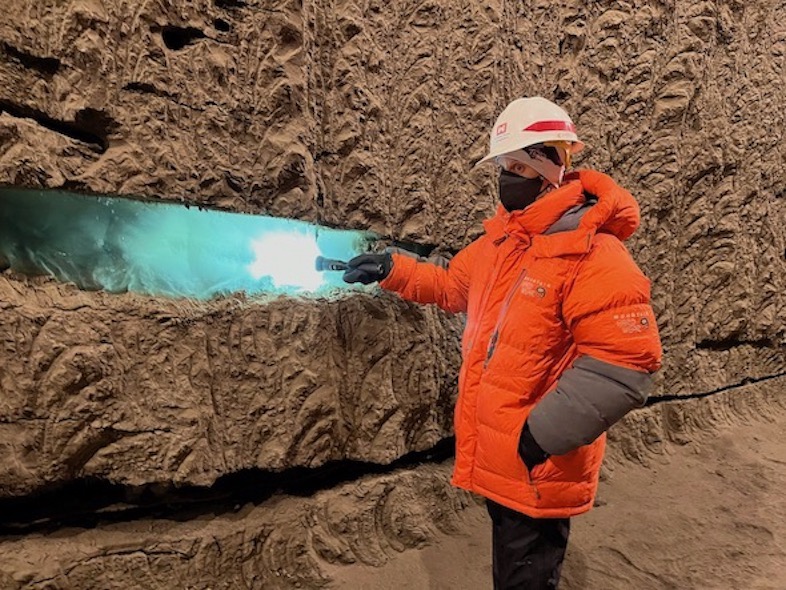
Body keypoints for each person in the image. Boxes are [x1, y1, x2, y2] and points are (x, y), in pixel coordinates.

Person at [342, 96, 663, 589]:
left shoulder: (595, 254)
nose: (508, 177)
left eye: (520, 166)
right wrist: (393, 269)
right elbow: (452, 286)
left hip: (536, 464)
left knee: (525, 575)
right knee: (514, 568)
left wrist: (539, 439)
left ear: (552, 166)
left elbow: (625, 365)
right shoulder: (502, 243)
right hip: (503, 455)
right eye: (503, 166)